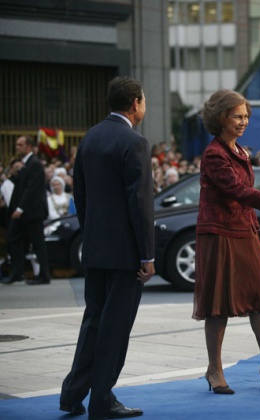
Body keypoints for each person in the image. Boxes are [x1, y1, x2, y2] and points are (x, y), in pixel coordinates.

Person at [59, 76, 155, 419]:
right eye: (143, 101)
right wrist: (147, 254)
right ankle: (102, 399)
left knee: (93, 321)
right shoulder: (135, 142)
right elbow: (140, 203)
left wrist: (93, 235)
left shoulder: (90, 138)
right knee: (115, 327)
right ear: (135, 104)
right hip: (127, 253)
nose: (145, 106)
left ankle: (71, 394)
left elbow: (79, 195)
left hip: (97, 247)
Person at [193, 89, 260, 394]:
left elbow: (243, 198)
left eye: (246, 116)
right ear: (220, 118)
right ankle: (214, 371)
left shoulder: (240, 151)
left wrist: (256, 230)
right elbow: (237, 191)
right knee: (217, 306)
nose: (243, 121)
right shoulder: (214, 153)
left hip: (244, 233)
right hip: (218, 236)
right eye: (237, 116)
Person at [3, 136, 51, 286]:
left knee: (37, 243)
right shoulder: (26, 164)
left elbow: (32, 190)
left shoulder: (34, 164)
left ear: (29, 147)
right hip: (26, 212)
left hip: (32, 212)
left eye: (20, 145)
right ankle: (17, 273)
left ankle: (44, 275)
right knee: (13, 237)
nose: (17, 147)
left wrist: (19, 208)